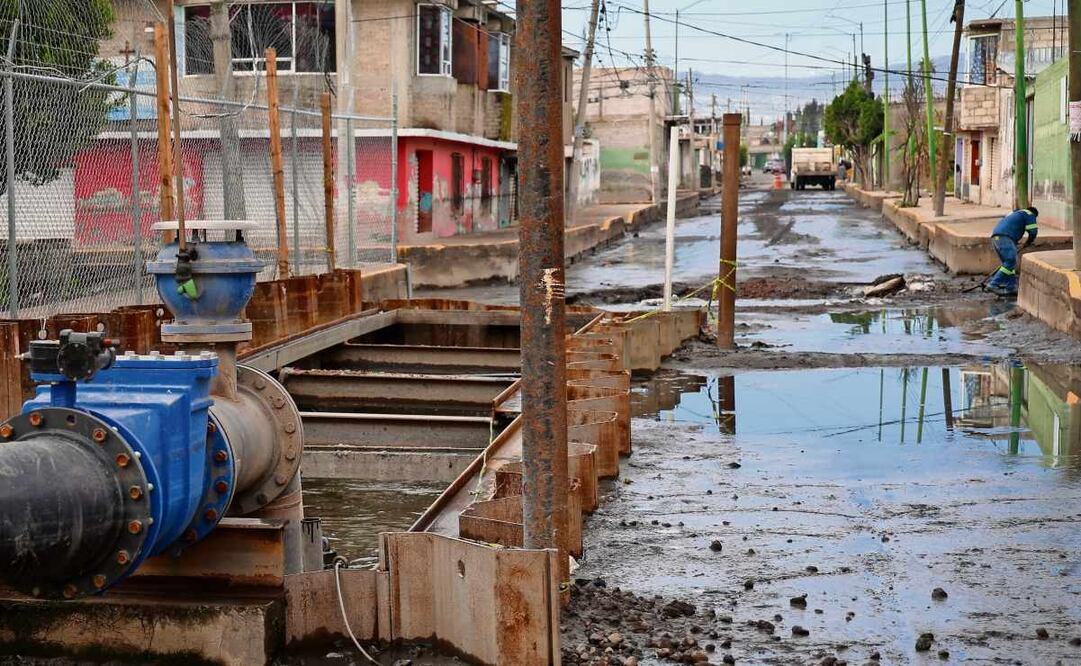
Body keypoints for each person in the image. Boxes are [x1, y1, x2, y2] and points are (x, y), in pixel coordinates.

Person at [985, 207, 1038, 296]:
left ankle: (1011, 287)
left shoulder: (1014, 213)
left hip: (996, 238)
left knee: (1009, 264)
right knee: (1010, 261)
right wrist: (1029, 242)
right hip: (1005, 238)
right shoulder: (1030, 214)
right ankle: (993, 284)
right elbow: (1033, 231)